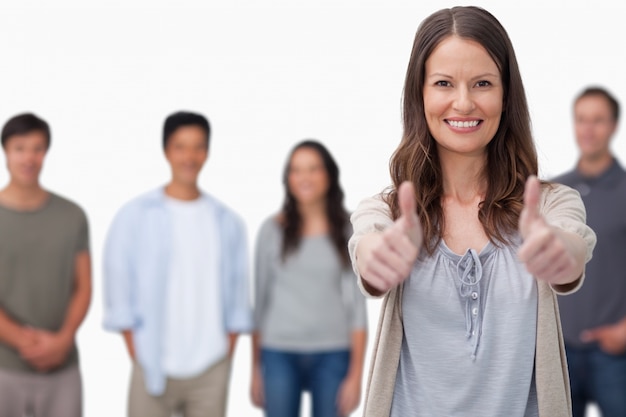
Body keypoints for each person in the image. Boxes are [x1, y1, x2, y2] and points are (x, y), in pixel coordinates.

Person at [348, 6, 597, 417]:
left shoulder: (549, 203)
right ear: (420, 94)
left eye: (482, 83)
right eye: (444, 83)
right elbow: (368, 245)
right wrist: (376, 260)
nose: (463, 103)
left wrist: (561, 254)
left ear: (505, 94)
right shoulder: (389, 211)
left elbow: (572, 244)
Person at [102, 111, 253, 417]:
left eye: (198, 146)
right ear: (166, 151)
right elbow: (118, 283)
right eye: (180, 146)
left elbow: (238, 295)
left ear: (207, 152)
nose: (189, 156)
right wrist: (137, 349)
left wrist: (225, 353)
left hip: (210, 365)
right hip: (152, 361)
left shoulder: (227, 222)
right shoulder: (135, 216)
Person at [250, 140, 368, 417]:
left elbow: (358, 308)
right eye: (296, 170)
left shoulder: (349, 230)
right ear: (287, 178)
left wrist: (356, 375)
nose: (304, 177)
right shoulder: (271, 230)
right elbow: (260, 302)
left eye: (313, 169)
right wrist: (255, 370)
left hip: (333, 352)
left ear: (329, 174)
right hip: (278, 352)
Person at [0, 113, 92, 417]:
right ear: (5, 151)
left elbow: (83, 286)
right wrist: (25, 341)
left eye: (37, 148)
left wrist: (63, 340)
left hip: (62, 369)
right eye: (20, 148)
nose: (29, 157)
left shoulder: (72, 215)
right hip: (4, 369)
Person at [552, 87, 626, 417]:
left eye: (598, 120)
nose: (588, 129)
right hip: (559, 352)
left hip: (612, 353)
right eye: (581, 119)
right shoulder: (554, 193)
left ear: (613, 126)